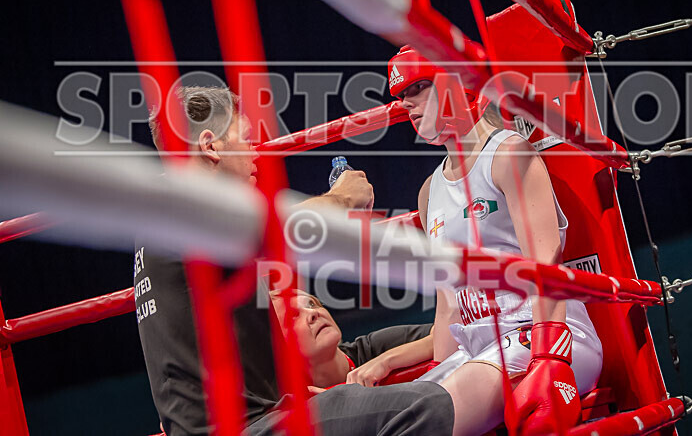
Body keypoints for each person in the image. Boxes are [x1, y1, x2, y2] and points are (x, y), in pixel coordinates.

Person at [135, 86, 454, 435]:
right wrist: (342, 198)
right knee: (425, 404)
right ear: (211, 146)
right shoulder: (184, 206)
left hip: (253, 418)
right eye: (245, 140)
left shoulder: (164, 217)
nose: (255, 154)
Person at [385, 46, 604, 435]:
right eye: (401, 95)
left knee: (424, 424)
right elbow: (448, 305)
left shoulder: (507, 155)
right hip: (478, 352)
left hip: (545, 336)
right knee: (390, 418)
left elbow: (545, 262)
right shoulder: (428, 192)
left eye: (418, 87)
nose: (406, 103)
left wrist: (548, 357)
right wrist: (436, 369)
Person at [268, 289, 432, 391]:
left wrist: (386, 362)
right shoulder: (286, 410)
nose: (313, 313)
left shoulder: (373, 347)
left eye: (311, 304)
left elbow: (451, 331)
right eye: (292, 316)